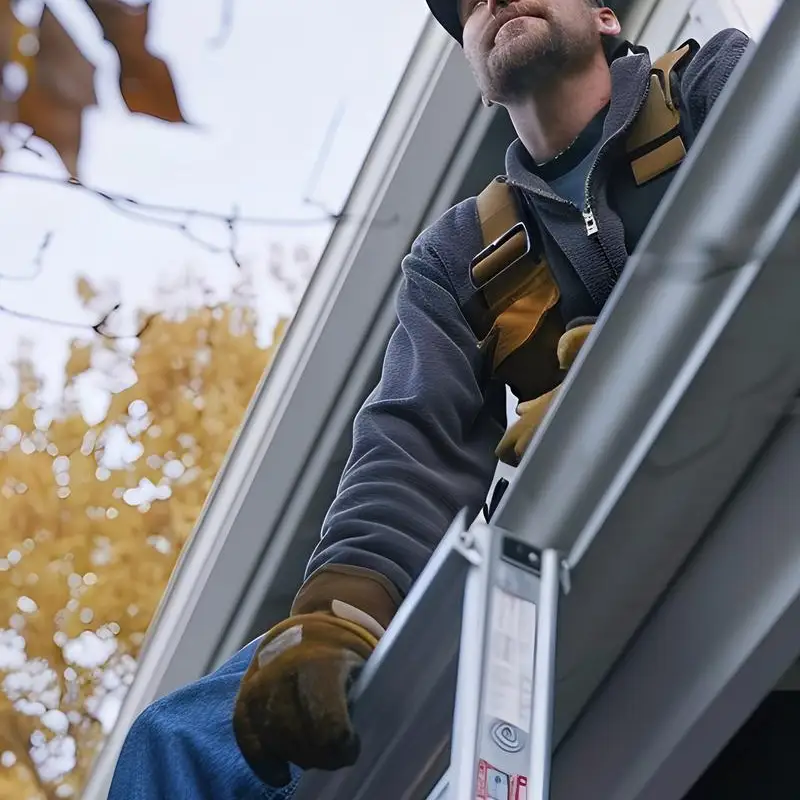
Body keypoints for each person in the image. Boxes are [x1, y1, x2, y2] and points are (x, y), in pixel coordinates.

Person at [109, 2, 753, 798]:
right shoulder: (462, 253)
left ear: (604, 16)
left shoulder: (712, 83)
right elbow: (409, 446)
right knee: (179, 742)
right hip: (571, 565)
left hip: (744, 458)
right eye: (470, 6)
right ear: (481, 81)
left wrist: (618, 386)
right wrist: (336, 617)